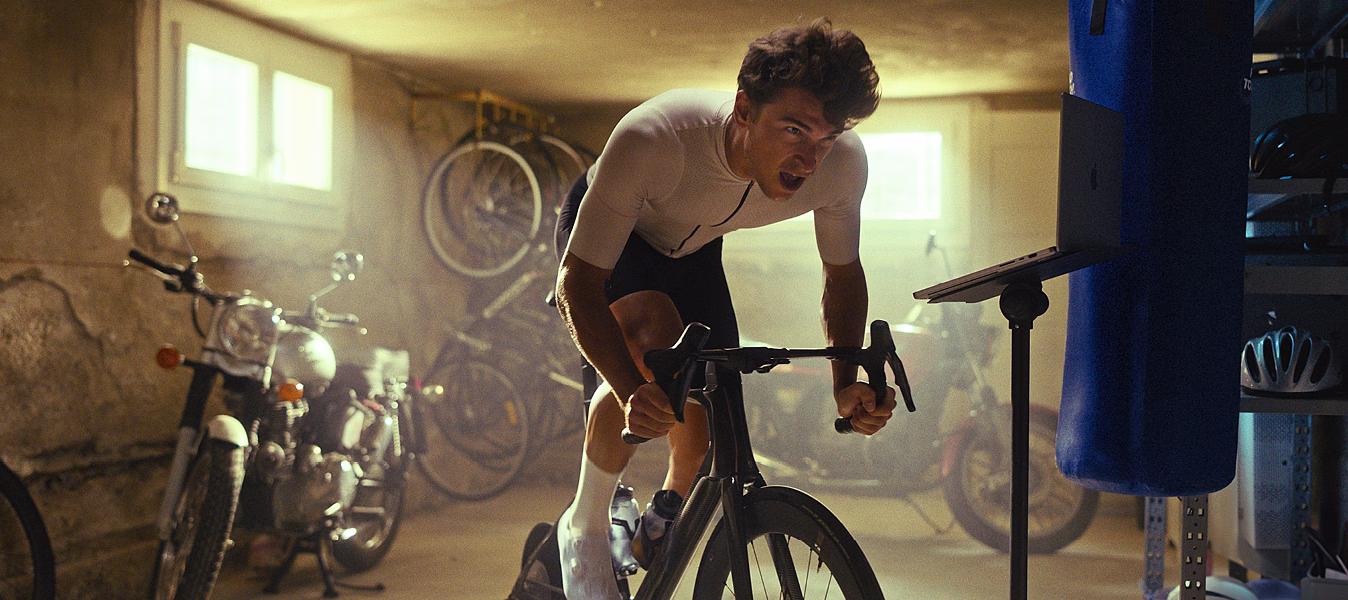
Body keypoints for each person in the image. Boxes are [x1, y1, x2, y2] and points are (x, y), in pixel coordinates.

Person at [552, 18, 897, 599]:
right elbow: (578, 286)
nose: (810, 158)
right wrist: (627, 384)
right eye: (793, 129)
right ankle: (584, 526)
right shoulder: (655, 139)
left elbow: (842, 276)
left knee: (711, 410)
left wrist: (844, 380)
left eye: (826, 137)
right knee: (655, 357)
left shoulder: (841, 166)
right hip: (618, 239)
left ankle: (665, 510)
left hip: (695, 248)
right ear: (743, 109)